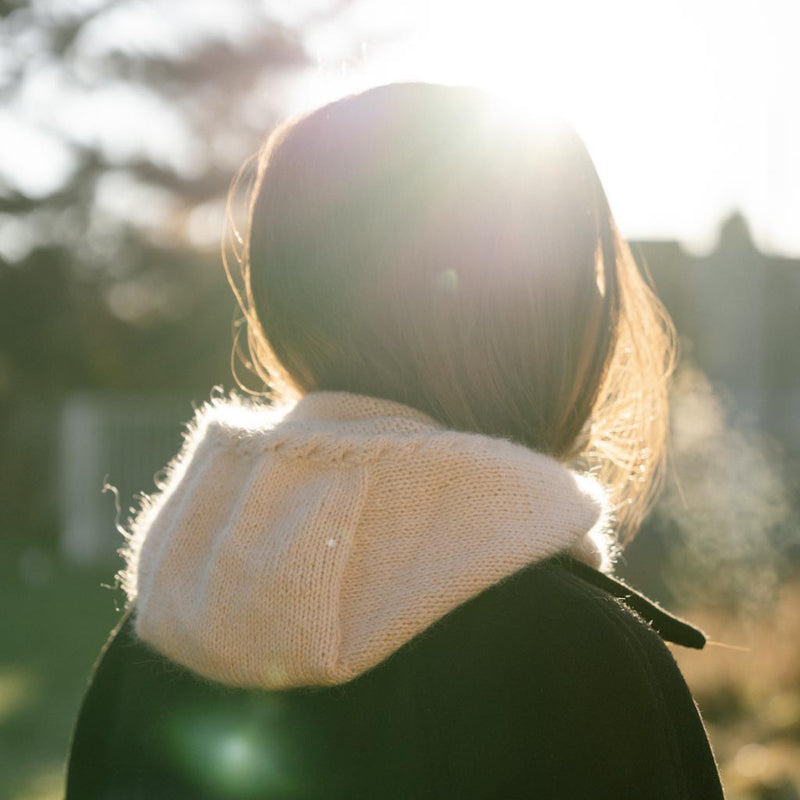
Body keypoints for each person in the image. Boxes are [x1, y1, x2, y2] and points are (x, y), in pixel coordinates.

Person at [66, 82, 725, 798]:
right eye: (588, 270)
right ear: (533, 301)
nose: (599, 302)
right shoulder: (579, 660)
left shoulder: (153, 641)